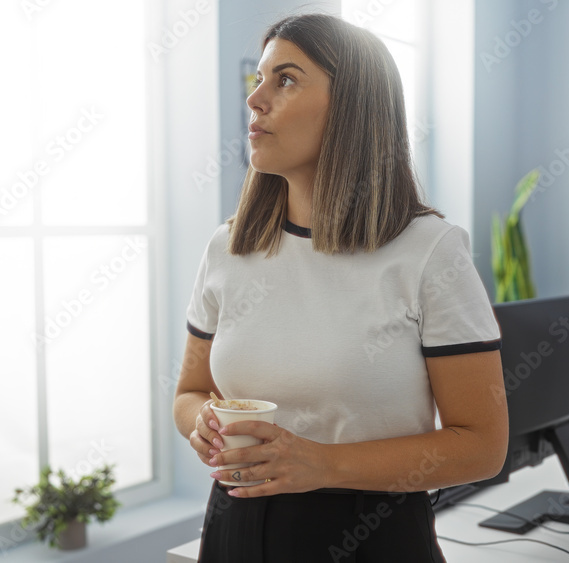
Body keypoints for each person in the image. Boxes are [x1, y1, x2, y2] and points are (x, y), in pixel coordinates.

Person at [173, 12, 507, 563]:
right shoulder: (228, 246)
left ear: (353, 106)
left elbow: (482, 446)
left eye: (286, 79)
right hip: (235, 524)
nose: (256, 100)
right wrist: (202, 425)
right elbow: (189, 393)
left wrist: (323, 464)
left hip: (372, 533)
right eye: (258, 80)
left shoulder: (429, 251)